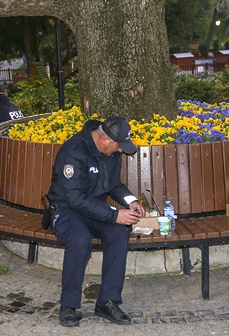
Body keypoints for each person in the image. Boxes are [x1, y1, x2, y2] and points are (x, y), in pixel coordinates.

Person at [46, 116, 145, 327]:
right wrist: (114, 215)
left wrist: (131, 201)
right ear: (105, 139)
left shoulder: (111, 153)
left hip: (95, 209)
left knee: (119, 233)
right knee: (80, 239)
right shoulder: (74, 151)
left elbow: (114, 185)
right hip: (66, 210)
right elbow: (75, 199)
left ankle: (107, 302)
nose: (121, 151)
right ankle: (69, 305)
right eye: (119, 146)